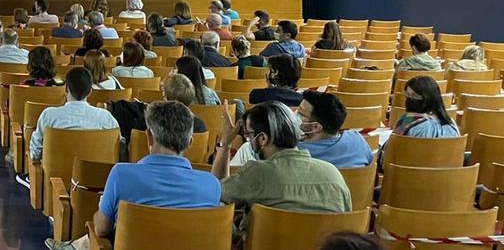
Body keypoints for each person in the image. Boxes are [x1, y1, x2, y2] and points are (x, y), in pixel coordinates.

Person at [92, 101, 221, 240]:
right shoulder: (212, 185)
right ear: (190, 142)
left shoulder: (120, 175)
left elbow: (102, 229)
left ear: (149, 136)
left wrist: (100, 208)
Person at [214, 102, 352, 230]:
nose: (248, 140)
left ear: (262, 138)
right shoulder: (333, 173)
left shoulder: (257, 172)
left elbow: (214, 192)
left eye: (249, 135)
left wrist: (225, 142)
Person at [29, 68, 117, 162]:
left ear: (66, 88)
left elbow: (35, 154)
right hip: (95, 175)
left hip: (54, 174)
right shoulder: (106, 117)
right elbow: (119, 147)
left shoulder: (49, 115)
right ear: (90, 92)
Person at [297, 91, 374, 167]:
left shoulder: (298, 152)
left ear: (317, 127)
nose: (295, 114)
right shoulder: (357, 139)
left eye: (300, 113)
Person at [390, 76, 460, 139]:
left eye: (413, 95)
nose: (409, 98)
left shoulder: (407, 120)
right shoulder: (451, 123)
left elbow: (391, 147)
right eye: (407, 94)